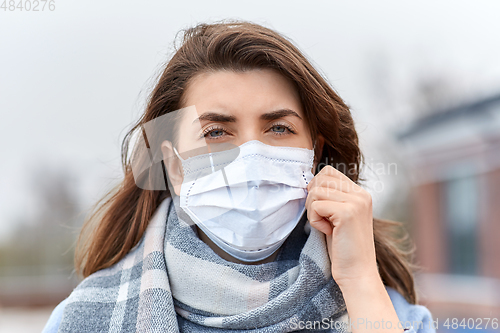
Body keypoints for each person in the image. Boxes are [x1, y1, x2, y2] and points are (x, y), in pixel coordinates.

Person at [42, 21, 435, 333]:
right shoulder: (81, 319)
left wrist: (361, 280)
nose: (251, 156)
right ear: (175, 167)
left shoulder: (386, 313)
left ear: (313, 155)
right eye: (216, 132)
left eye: (278, 128)